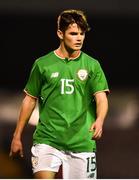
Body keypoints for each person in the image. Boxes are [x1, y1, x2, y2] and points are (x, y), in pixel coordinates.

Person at [9, 9, 109, 179]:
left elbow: (101, 98)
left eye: (82, 33)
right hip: (48, 140)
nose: (79, 38)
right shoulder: (43, 64)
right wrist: (17, 136)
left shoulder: (92, 65)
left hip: (81, 142)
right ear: (60, 33)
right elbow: (29, 100)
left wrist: (100, 120)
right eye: (73, 33)